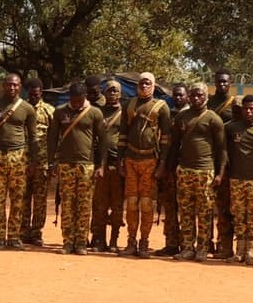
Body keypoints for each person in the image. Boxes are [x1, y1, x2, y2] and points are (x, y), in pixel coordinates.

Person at [166, 83, 227, 261]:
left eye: (199, 95)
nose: (196, 98)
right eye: (193, 95)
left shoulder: (214, 119)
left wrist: (220, 173)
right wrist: (170, 169)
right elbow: (174, 145)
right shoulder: (181, 117)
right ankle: (187, 248)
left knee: (205, 212)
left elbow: (222, 149)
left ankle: (203, 248)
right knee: (185, 211)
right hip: (184, 171)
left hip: (205, 171)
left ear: (206, 96)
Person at [49, 80, 107, 254]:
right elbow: (52, 139)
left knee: (84, 205)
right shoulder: (59, 112)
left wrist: (101, 165)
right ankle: (68, 241)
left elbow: (102, 140)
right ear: (69, 97)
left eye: (79, 100)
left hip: (87, 165)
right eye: (74, 99)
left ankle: (81, 242)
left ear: (85, 97)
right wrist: (51, 162)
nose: (76, 103)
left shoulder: (95, 113)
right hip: (66, 165)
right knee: (67, 204)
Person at [0, 73, 36, 251]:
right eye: (9, 85)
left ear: (20, 87)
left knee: (18, 198)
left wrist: (32, 162)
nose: (12, 88)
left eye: (15, 85)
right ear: (3, 86)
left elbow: (33, 137)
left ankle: (14, 237)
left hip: (19, 156)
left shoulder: (27, 109)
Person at [120, 73, 171, 259]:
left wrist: (162, 164)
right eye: (141, 83)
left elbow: (166, 139)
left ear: (153, 85)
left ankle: (144, 242)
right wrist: (120, 161)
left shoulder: (161, 107)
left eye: (147, 83)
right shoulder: (129, 105)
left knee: (147, 203)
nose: (144, 86)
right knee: (132, 203)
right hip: (131, 160)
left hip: (151, 161)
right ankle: (131, 241)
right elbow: (122, 135)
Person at [222, 94, 253, 265]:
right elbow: (223, 153)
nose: (249, 111)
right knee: (238, 215)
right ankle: (239, 251)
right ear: (241, 110)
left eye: (252, 108)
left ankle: (250, 251)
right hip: (236, 179)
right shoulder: (232, 129)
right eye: (246, 108)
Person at [18, 78, 56, 247]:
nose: (34, 95)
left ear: (41, 92)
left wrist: (53, 161)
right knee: (23, 198)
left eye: (37, 92)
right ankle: (23, 230)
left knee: (40, 200)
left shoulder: (49, 111)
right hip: (22, 162)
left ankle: (36, 232)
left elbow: (55, 137)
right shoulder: (21, 109)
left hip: (42, 163)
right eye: (31, 93)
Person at [206, 71, 239, 258]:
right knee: (206, 206)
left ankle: (225, 245)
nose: (222, 84)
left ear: (230, 83)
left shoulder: (235, 104)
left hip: (227, 160)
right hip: (208, 158)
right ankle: (205, 243)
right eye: (219, 81)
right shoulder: (208, 102)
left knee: (225, 207)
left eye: (225, 81)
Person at [91, 79, 125, 252]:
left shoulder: (126, 113)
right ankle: (100, 240)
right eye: (109, 90)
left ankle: (114, 240)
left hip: (118, 166)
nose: (112, 93)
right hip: (100, 165)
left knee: (117, 206)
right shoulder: (97, 113)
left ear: (120, 94)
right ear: (103, 93)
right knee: (100, 206)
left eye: (115, 90)